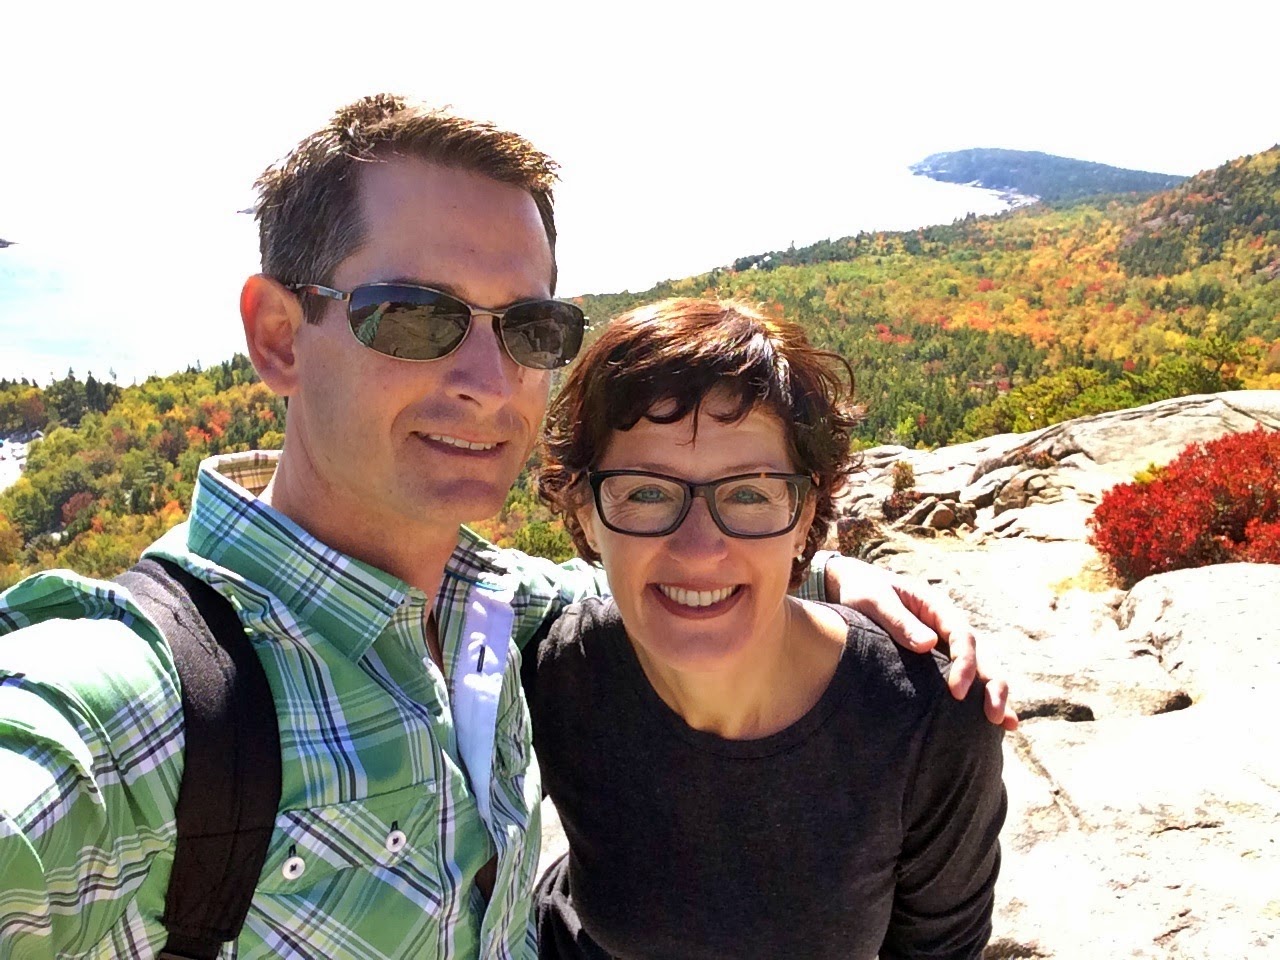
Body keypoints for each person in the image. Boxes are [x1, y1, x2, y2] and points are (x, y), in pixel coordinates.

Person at [0, 95, 1010, 959]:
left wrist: (817, 576)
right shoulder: (143, 699)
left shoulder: (490, 609)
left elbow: (660, 576)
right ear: (277, 335)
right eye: (413, 315)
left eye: (528, 329)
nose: (488, 383)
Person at [530, 298, 1007, 959]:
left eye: (750, 493)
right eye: (646, 492)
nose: (699, 549)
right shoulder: (556, 673)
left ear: (806, 513)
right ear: (584, 510)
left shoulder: (925, 723)